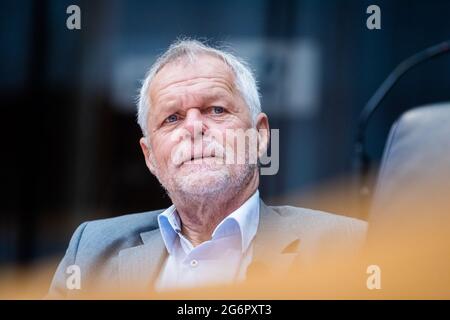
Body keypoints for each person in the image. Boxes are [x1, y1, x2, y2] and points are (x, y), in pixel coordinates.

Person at [47, 39, 366, 298]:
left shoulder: (348, 245)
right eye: (172, 118)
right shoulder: (91, 251)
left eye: (216, 109)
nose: (195, 128)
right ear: (150, 157)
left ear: (259, 136)